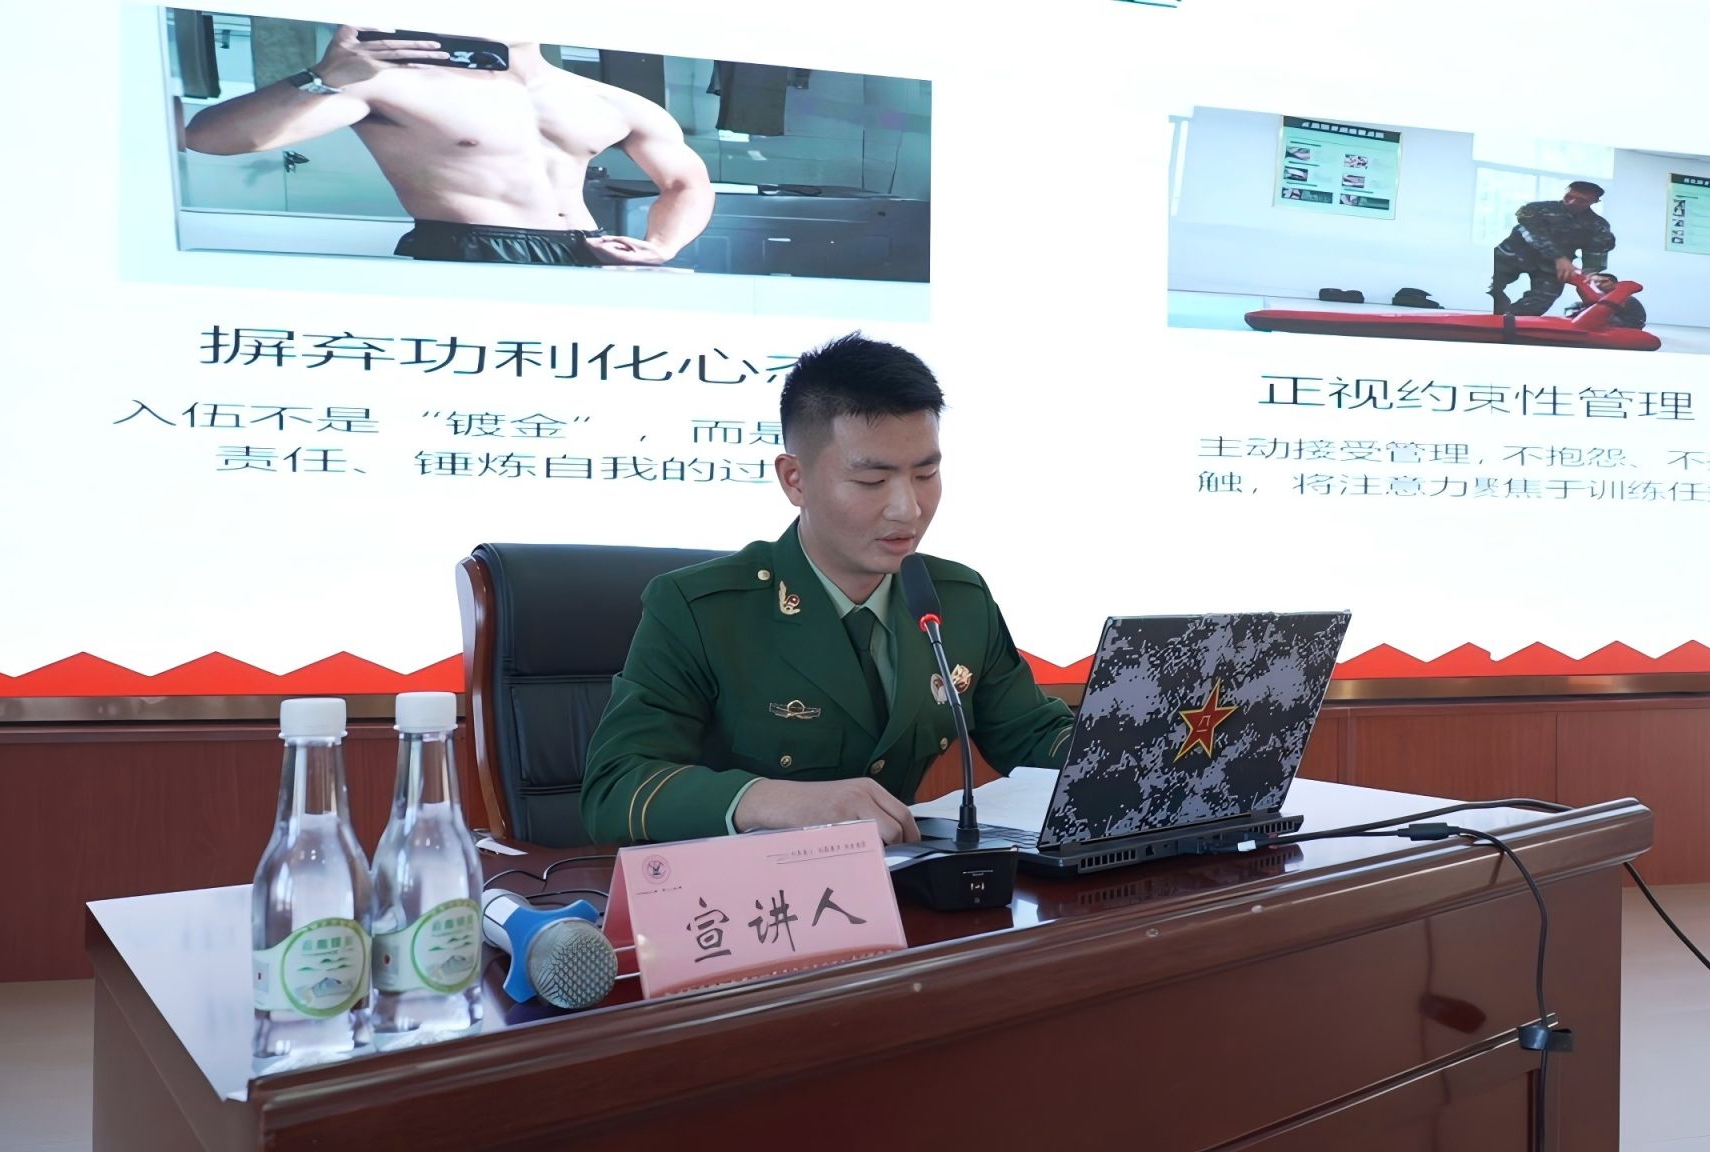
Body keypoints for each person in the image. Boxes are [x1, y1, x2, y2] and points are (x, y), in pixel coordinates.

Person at [580, 335, 1075, 845]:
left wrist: (1117, 749)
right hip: (755, 887)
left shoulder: (956, 598)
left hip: (908, 882)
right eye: (872, 481)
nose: (908, 508)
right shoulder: (701, 611)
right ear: (794, 479)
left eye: (926, 473)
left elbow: (1034, 736)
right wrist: (773, 800)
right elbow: (614, 788)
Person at [183, 26, 712, 267]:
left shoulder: (608, 101)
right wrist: (323, 77)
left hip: (591, 252)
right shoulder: (391, 84)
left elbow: (686, 182)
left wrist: (664, 245)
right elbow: (208, 138)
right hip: (468, 251)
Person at [1487, 180, 1615, 317]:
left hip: (1551, 268)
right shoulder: (1536, 209)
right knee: (1489, 289)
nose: (1571, 202)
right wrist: (1558, 257)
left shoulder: (1598, 225)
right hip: (1511, 256)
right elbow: (1534, 234)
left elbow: (1595, 254)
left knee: (1541, 302)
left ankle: (1508, 321)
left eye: (1581, 201)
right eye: (1568, 197)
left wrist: (1592, 276)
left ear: (1594, 201)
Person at [1564, 271, 1648, 329]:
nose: (1598, 284)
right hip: (1612, 318)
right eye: (1595, 282)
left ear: (1614, 283)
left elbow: (1602, 309)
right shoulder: (1601, 298)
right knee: (1577, 306)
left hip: (1629, 324)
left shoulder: (1626, 298)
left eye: (1603, 282)